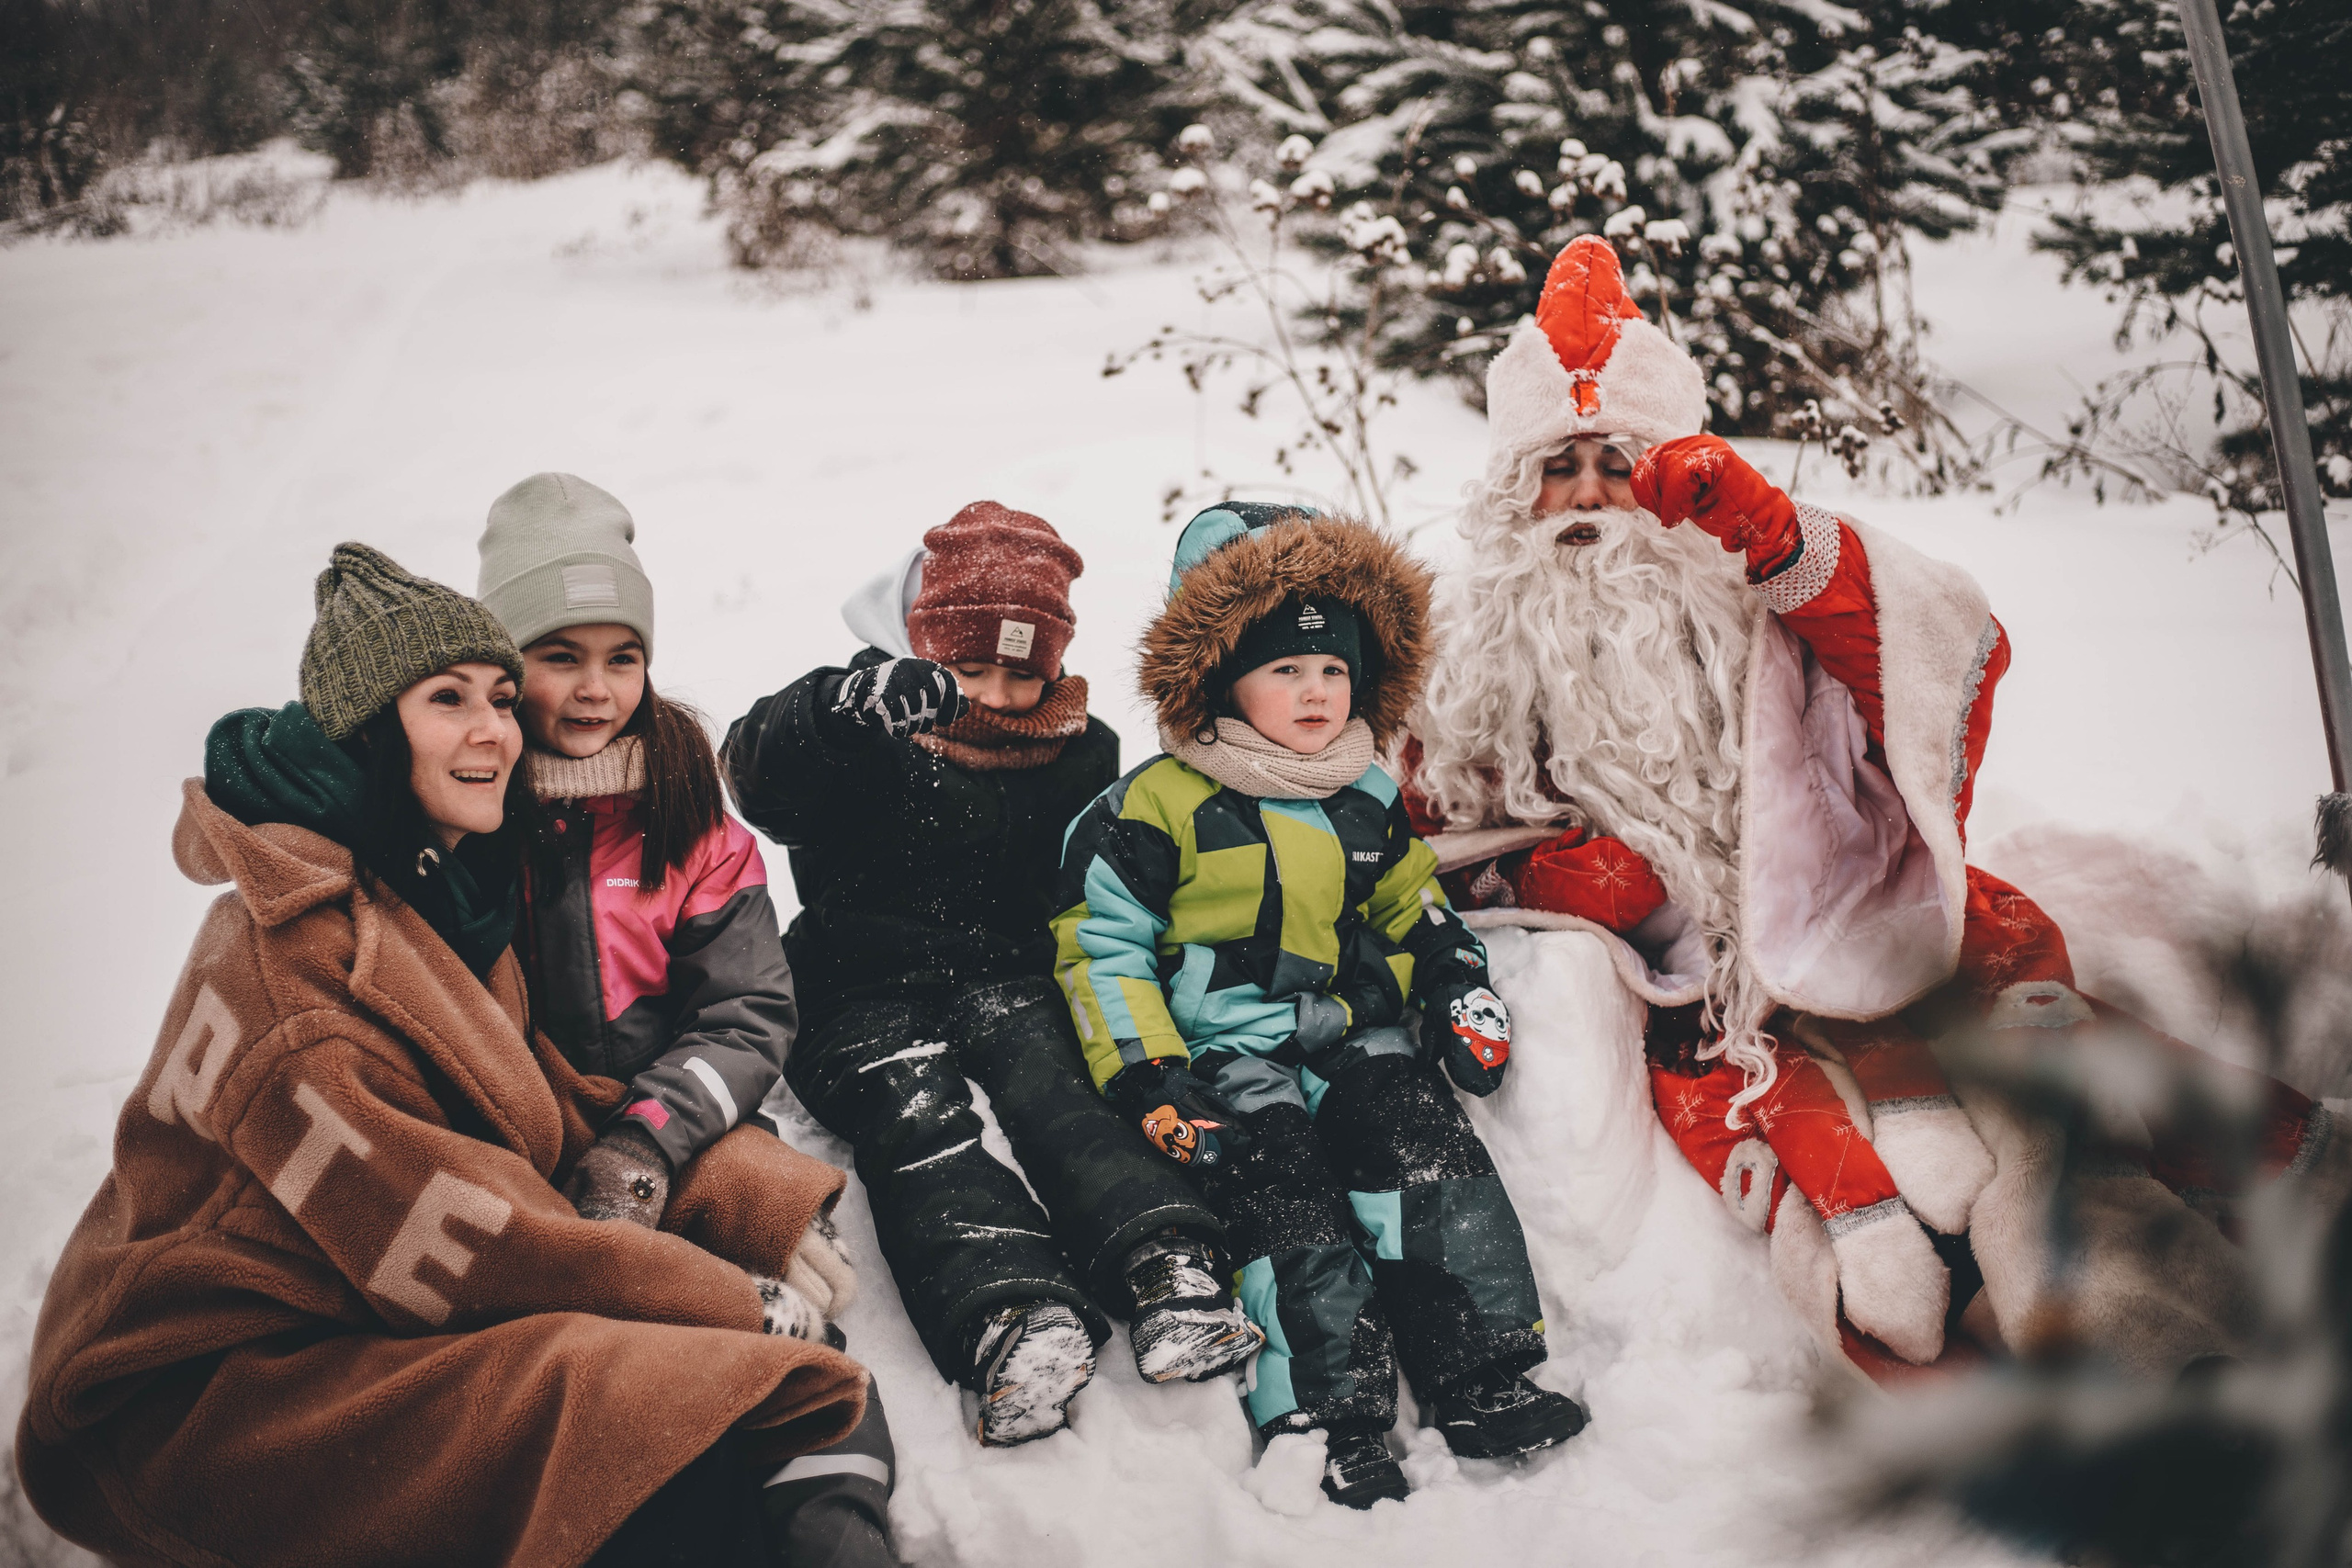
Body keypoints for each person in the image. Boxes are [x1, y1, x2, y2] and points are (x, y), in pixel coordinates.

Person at [1408, 234, 2347, 1379]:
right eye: (1559, 467)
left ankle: (2228, 1255)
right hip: (1697, 998)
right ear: (1514, 492)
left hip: (1860, 909)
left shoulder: (1748, 581)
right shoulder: (1479, 649)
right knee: (1848, 1176)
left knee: (2046, 1082)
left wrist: (1774, 535)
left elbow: (1927, 655)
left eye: (1620, 461)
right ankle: (2031, 1359)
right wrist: (1567, 875)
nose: (1591, 496)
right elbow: (1436, 835)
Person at [17, 543, 865, 1568]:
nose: (495, 730)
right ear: (372, 731)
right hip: (203, 1388)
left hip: (354, 1298)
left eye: (500, 698)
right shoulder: (303, 973)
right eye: (448, 699)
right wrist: (729, 1300)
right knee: (641, 1426)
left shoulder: (428, 890)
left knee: (710, 1413)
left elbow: (538, 1100)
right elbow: (465, 1247)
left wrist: (728, 1187)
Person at [1053, 503, 1588, 1509]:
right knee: (1283, 1198)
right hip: (1223, 1058)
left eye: (1334, 669)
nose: (1315, 691)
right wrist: (1151, 1074)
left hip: (1352, 1036)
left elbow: (1408, 900)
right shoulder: (1151, 807)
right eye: (1285, 669)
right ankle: (1329, 1415)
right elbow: (1101, 951)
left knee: (1427, 1159)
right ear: (1219, 677)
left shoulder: (1363, 793)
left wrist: (1453, 977)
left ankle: (1480, 1370)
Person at [724, 501, 1259, 1449]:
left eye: (1023, 673)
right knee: (917, 1117)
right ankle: (1006, 1308)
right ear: (922, 652)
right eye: (971, 670)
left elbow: (1096, 879)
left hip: (1009, 976)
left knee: (1061, 1093)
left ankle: (1164, 1258)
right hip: (859, 986)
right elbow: (762, 776)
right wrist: (834, 713)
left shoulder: (1080, 749)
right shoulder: (866, 731)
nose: (1001, 697)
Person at [477, 471, 893, 1564]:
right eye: (559, 654)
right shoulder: (472, 814)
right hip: (515, 1138)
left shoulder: (688, 820)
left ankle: (831, 1523)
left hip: (676, 1128)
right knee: (586, 1348)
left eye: (622, 656)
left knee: (777, 1320)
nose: (595, 688)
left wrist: (647, 1141)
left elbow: (747, 1011)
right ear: (503, 666)